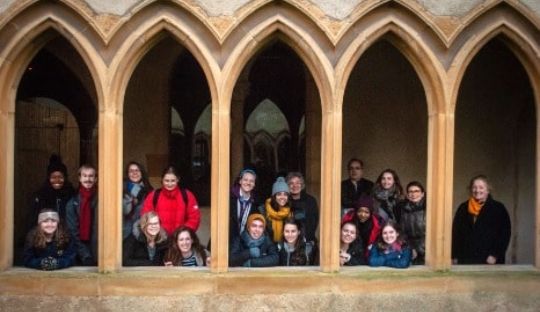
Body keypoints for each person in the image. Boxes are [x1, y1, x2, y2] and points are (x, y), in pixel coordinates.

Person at [452, 175, 511, 265]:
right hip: (466, 258)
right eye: (474, 187)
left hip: (489, 259)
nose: (477, 190)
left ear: (488, 190)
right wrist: (454, 255)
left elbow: (504, 234)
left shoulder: (498, 208)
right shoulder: (463, 208)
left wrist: (495, 254)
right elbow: (456, 233)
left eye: (481, 187)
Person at [141, 165, 200, 236]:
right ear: (162, 180)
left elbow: (194, 218)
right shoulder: (153, 195)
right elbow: (146, 216)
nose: (169, 184)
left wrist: (183, 233)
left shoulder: (187, 195)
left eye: (173, 181)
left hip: (179, 238)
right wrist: (156, 233)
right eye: (166, 180)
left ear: (178, 180)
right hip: (159, 238)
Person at [66, 164, 98, 265]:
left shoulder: (102, 199)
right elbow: (73, 232)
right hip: (82, 254)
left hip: (101, 251)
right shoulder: (72, 203)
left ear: (96, 178)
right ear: (80, 178)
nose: (88, 179)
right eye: (85, 176)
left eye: (91, 176)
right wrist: (86, 255)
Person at [30, 154, 74, 224]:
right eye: (53, 177)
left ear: (65, 178)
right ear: (48, 178)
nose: (57, 180)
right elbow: (32, 222)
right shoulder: (40, 197)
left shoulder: (72, 195)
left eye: (60, 177)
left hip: (66, 234)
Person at [342, 196, 382, 262]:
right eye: (360, 211)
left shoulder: (376, 225)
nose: (363, 214)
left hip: (369, 256)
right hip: (349, 254)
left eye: (366, 212)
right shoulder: (348, 220)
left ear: (371, 213)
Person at [396, 181, 426, 265]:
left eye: (416, 191)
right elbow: (400, 231)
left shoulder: (428, 207)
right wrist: (409, 248)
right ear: (407, 194)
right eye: (410, 191)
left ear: (422, 194)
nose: (413, 194)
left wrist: (422, 248)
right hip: (408, 248)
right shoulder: (401, 209)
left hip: (426, 248)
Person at [122, 161, 153, 239]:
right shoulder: (121, 189)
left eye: (137, 170)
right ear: (127, 174)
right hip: (124, 232)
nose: (134, 173)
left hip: (141, 232)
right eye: (131, 171)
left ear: (142, 172)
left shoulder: (149, 190)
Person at [286, 172, 319, 244]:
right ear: (287, 186)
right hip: (288, 241)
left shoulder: (310, 200)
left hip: (307, 240)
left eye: (298, 183)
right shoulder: (285, 201)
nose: (295, 186)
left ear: (302, 185)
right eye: (291, 183)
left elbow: (313, 222)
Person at [229, 168, 259, 244]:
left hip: (244, 243)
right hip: (226, 240)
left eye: (251, 181)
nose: (248, 183)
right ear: (240, 181)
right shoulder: (229, 198)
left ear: (254, 184)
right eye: (245, 180)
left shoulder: (255, 204)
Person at [261, 177, 292, 243]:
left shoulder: (290, 213)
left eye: (285, 194)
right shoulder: (262, 211)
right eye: (279, 194)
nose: (282, 197)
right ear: (274, 196)